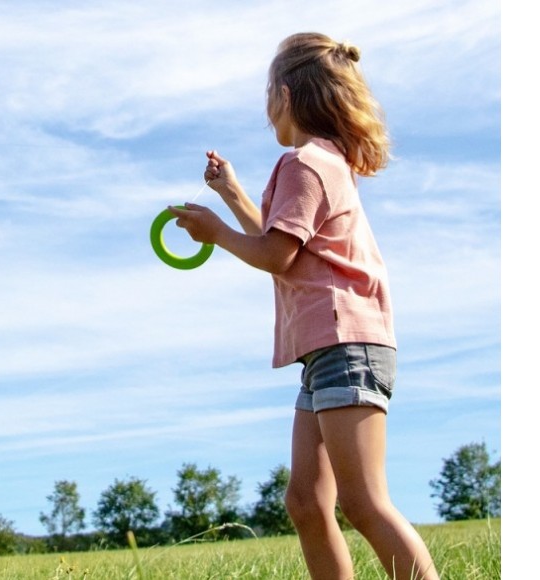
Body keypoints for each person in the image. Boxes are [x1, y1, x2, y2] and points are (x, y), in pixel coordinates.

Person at [169, 32, 439, 580]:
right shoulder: (316, 163)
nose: (267, 109)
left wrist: (214, 231)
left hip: (347, 346)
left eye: (269, 93)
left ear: (287, 96)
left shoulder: (306, 164)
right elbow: (282, 242)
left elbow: (275, 254)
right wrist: (232, 195)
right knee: (306, 501)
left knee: (362, 501)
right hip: (327, 353)